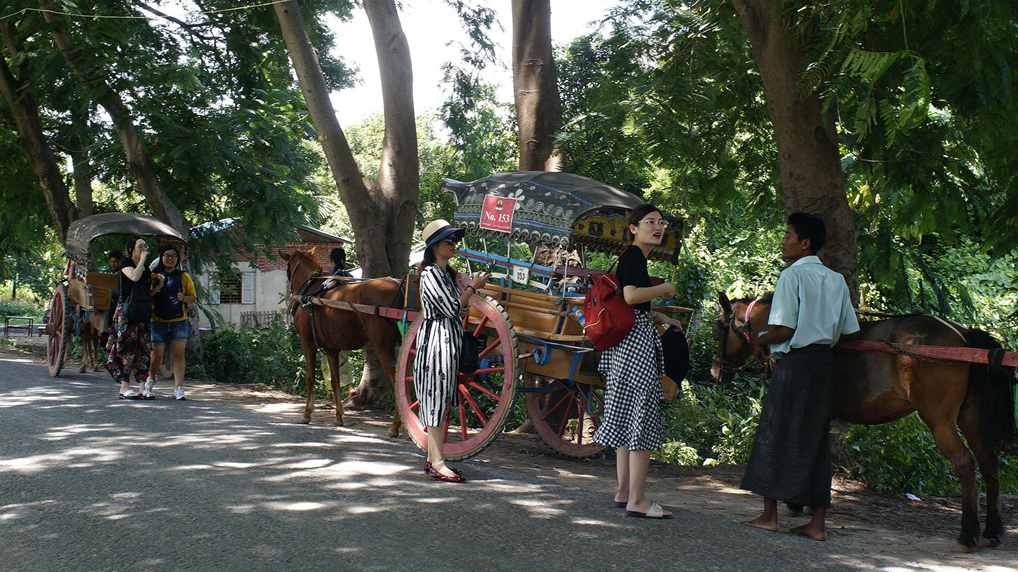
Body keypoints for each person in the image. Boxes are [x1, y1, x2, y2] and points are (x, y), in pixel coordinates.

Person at [741, 212, 860, 541]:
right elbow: (849, 330)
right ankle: (817, 524)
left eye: (788, 235)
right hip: (824, 364)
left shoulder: (791, 276)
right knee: (816, 440)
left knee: (775, 432)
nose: (784, 241)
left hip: (795, 365)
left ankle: (769, 516)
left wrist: (758, 337)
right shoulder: (836, 280)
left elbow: (784, 328)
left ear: (804, 243)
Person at [593, 203, 678, 519]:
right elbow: (630, 296)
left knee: (627, 412)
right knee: (642, 414)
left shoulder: (632, 258)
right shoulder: (634, 257)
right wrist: (664, 289)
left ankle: (624, 491)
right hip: (637, 348)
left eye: (661, 222)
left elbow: (631, 307)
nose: (658, 227)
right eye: (650, 222)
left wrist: (658, 313)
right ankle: (638, 500)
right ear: (633, 228)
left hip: (625, 345)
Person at [414, 219, 488, 482]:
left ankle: (433, 459)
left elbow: (460, 310)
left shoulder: (446, 275)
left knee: (441, 401)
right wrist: (472, 288)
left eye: (454, 240)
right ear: (435, 246)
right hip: (436, 343)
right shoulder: (430, 274)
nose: (453, 244)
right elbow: (452, 308)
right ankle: (437, 462)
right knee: (435, 401)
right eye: (448, 241)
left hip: (448, 342)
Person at [105, 238, 155, 399]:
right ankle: (124, 388)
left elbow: (147, 290)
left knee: (143, 349)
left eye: (145, 246)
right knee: (126, 349)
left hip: (142, 312)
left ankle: (142, 388)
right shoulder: (125, 263)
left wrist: (158, 284)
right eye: (140, 247)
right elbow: (134, 277)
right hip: (126, 313)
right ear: (131, 249)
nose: (143, 249)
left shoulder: (145, 268)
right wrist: (142, 260)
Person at [145, 245, 196, 400]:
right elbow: (146, 295)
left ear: (177, 259)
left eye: (173, 256)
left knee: (179, 355)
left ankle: (179, 388)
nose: (170, 258)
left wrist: (183, 298)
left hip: (179, 321)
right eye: (167, 255)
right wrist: (156, 288)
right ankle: (150, 382)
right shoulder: (153, 275)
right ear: (161, 257)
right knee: (156, 356)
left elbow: (193, 297)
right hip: (158, 321)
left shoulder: (183, 276)